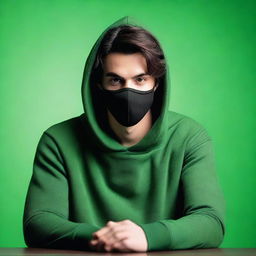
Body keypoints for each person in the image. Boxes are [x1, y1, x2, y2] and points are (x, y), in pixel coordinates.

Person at [22, 16, 226, 252]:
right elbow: (38, 223)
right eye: (116, 80)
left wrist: (147, 236)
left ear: (156, 83)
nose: (128, 91)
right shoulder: (58, 141)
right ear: (99, 84)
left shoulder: (189, 137)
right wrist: (105, 237)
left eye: (140, 79)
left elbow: (211, 222)